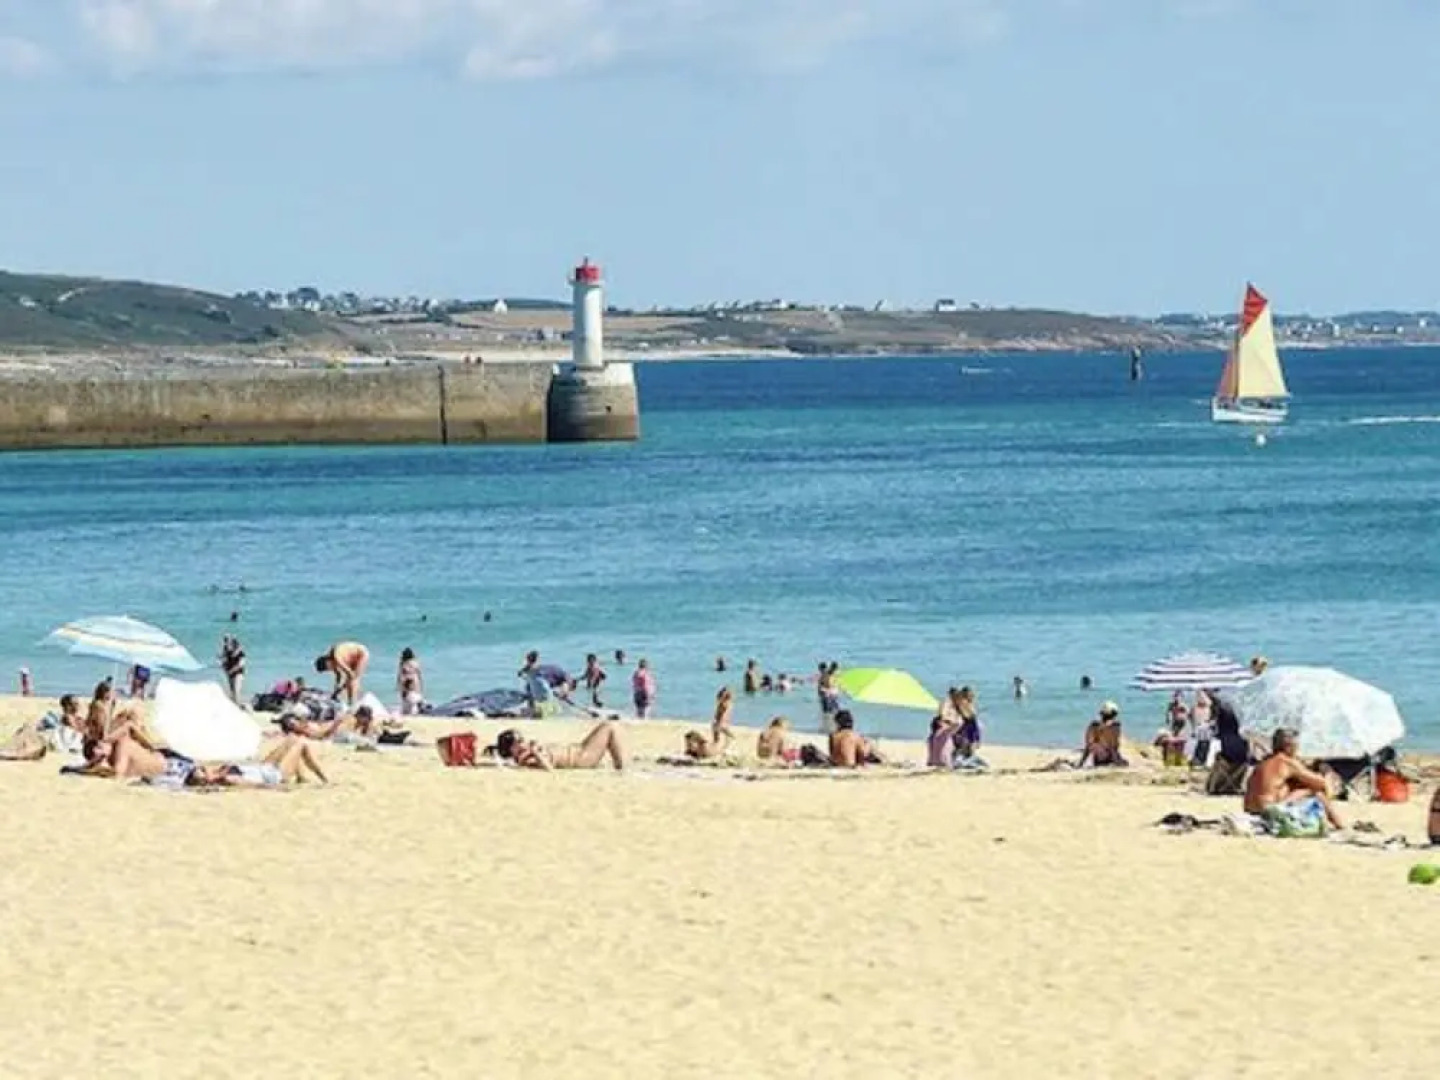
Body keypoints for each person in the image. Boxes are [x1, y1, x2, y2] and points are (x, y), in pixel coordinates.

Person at [1243, 729, 1343, 833]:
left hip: (1250, 810)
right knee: (1315, 791)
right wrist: (1325, 770)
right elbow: (1323, 785)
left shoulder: (1265, 761)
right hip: (1269, 811)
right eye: (1297, 746)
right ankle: (1340, 825)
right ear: (1289, 747)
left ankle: (1339, 825)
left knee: (1294, 786)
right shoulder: (1287, 762)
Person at [493, 721, 626, 771]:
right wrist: (536, 752)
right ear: (512, 749)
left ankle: (621, 763)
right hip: (582, 758)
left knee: (608, 727)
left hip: (580, 749)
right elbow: (549, 769)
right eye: (519, 740)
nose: (523, 741)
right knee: (609, 727)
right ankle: (621, 767)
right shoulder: (528, 758)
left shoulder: (527, 752)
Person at [314, 641, 369, 705]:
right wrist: (336, 689)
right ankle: (352, 702)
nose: (329, 670)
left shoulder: (337, 658)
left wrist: (341, 689)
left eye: (327, 669)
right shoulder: (332, 660)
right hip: (351, 657)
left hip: (361, 654)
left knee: (354, 679)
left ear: (327, 662)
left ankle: (354, 702)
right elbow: (338, 676)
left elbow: (351, 675)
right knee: (351, 683)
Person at [1079, 702, 1126, 767]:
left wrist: (1080, 764)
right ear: (1114, 714)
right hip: (1111, 759)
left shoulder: (1093, 726)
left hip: (1098, 761)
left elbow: (1088, 747)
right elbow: (1113, 748)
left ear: (1102, 714)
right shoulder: (1115, 727)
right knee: (1125, 763)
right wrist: (1118, 763)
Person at [397, 647, 424, 716]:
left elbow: (401, 676)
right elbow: (419, 675)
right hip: (415, 682)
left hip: (407, 683)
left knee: (406, 700)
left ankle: (408, 713)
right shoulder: (415, 663)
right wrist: (421, 685)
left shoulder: (403, 664)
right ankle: (415, 712)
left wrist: (399, 686)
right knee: (414, 699)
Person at [220, 634, 246, 704]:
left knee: (236, 690)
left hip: (238, 673)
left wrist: (231, 670)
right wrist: (224, 667)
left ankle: (238, 705)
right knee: (232, 691)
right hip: (230, 673)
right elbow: (224, 662)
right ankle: (234, 704)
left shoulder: (240, 652)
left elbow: (241, 664)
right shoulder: (226, 651)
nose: (227, 645)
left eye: (228, 643)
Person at [817, 662, 841, 734]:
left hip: (829, 696)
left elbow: (824, 687)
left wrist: (827, 691)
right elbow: (823, 687)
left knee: (830, 712)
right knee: (830, 712)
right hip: (829, 696)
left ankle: (829, 727)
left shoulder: (828, 675)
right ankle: (829, 727)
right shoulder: (827, 675)